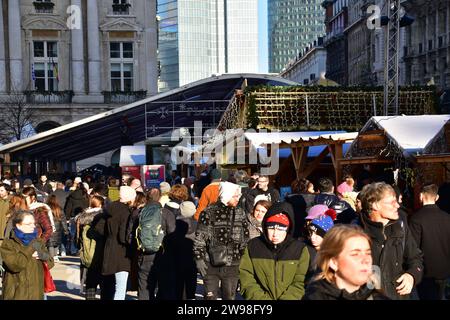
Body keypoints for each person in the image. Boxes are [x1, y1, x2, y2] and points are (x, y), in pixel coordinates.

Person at [358, 182, 423, 300]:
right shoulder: (355, 233)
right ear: (375, 205)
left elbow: (416, 258)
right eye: (392, 202)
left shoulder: (401, 228)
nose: (397, 206)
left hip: (400, 296)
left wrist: (412, 275)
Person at [194, 181, 250, 300]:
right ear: (226, 195)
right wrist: (199, 258)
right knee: (210, 298)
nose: (238, 199)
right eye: (235, 196)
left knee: (229, 298)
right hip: (210, 263)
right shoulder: (208, 212)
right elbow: (200, 238)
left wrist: (244, 261)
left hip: (233, 265)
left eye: (239, 196)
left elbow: (245, 239)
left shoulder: (240, 213)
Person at [303, 224, 387, 300]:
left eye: (368, 253)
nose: (366, 260)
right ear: (333, 262)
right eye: (355, 254)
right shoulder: (314, 296)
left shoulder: (377, 297)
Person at [239, 209, 310, 300]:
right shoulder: (253, 246)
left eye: (281, 229)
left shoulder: (299, 249)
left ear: (287, 229)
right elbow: (246, 278)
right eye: (271, 228)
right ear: (265, 227)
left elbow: (300, 281)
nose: (275, 234)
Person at [0, 210, 54, 300]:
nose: (33, 226)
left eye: (34, 223)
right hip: (16, 294)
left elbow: (50, 263)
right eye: (28, 224)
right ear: (18, 225)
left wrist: (42, 256)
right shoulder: (8, 244)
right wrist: (31, 247)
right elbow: (16, 265)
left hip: (36, 293)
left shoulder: (38, 241)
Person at [409, 184, 450, 300]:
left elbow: (413, 248)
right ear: (436, 198)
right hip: (446, 270)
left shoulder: (416, 219)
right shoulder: (447, 217)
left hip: (426, 273)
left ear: (421, 196)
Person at [100, 186, 136, 300]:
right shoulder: (126, 212)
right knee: (120, 287)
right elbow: (122, 236)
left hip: (108, 247)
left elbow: (99, 228)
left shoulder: (109, 209)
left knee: (108, 285)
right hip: (121, 252)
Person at [46, 195, 69, 262]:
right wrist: (66, 230)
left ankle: (51, 257)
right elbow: (63, 220)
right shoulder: (59, 208)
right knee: (56, 243)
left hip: (49, 226)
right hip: (58, 227)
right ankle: (55, 256)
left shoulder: (46, 208)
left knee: (50, 243)